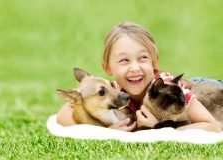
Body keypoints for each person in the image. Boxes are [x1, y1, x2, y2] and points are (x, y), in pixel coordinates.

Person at [57, 21, 222, 132]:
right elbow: (64, 114)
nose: (134, 68)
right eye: (124, 60)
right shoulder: (113, 91)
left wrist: (160, 128)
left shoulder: (168, 89)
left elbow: (212, 125)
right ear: (107, 67)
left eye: (143, 58)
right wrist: (107, 132)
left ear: (154, 61)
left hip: (208, 88)